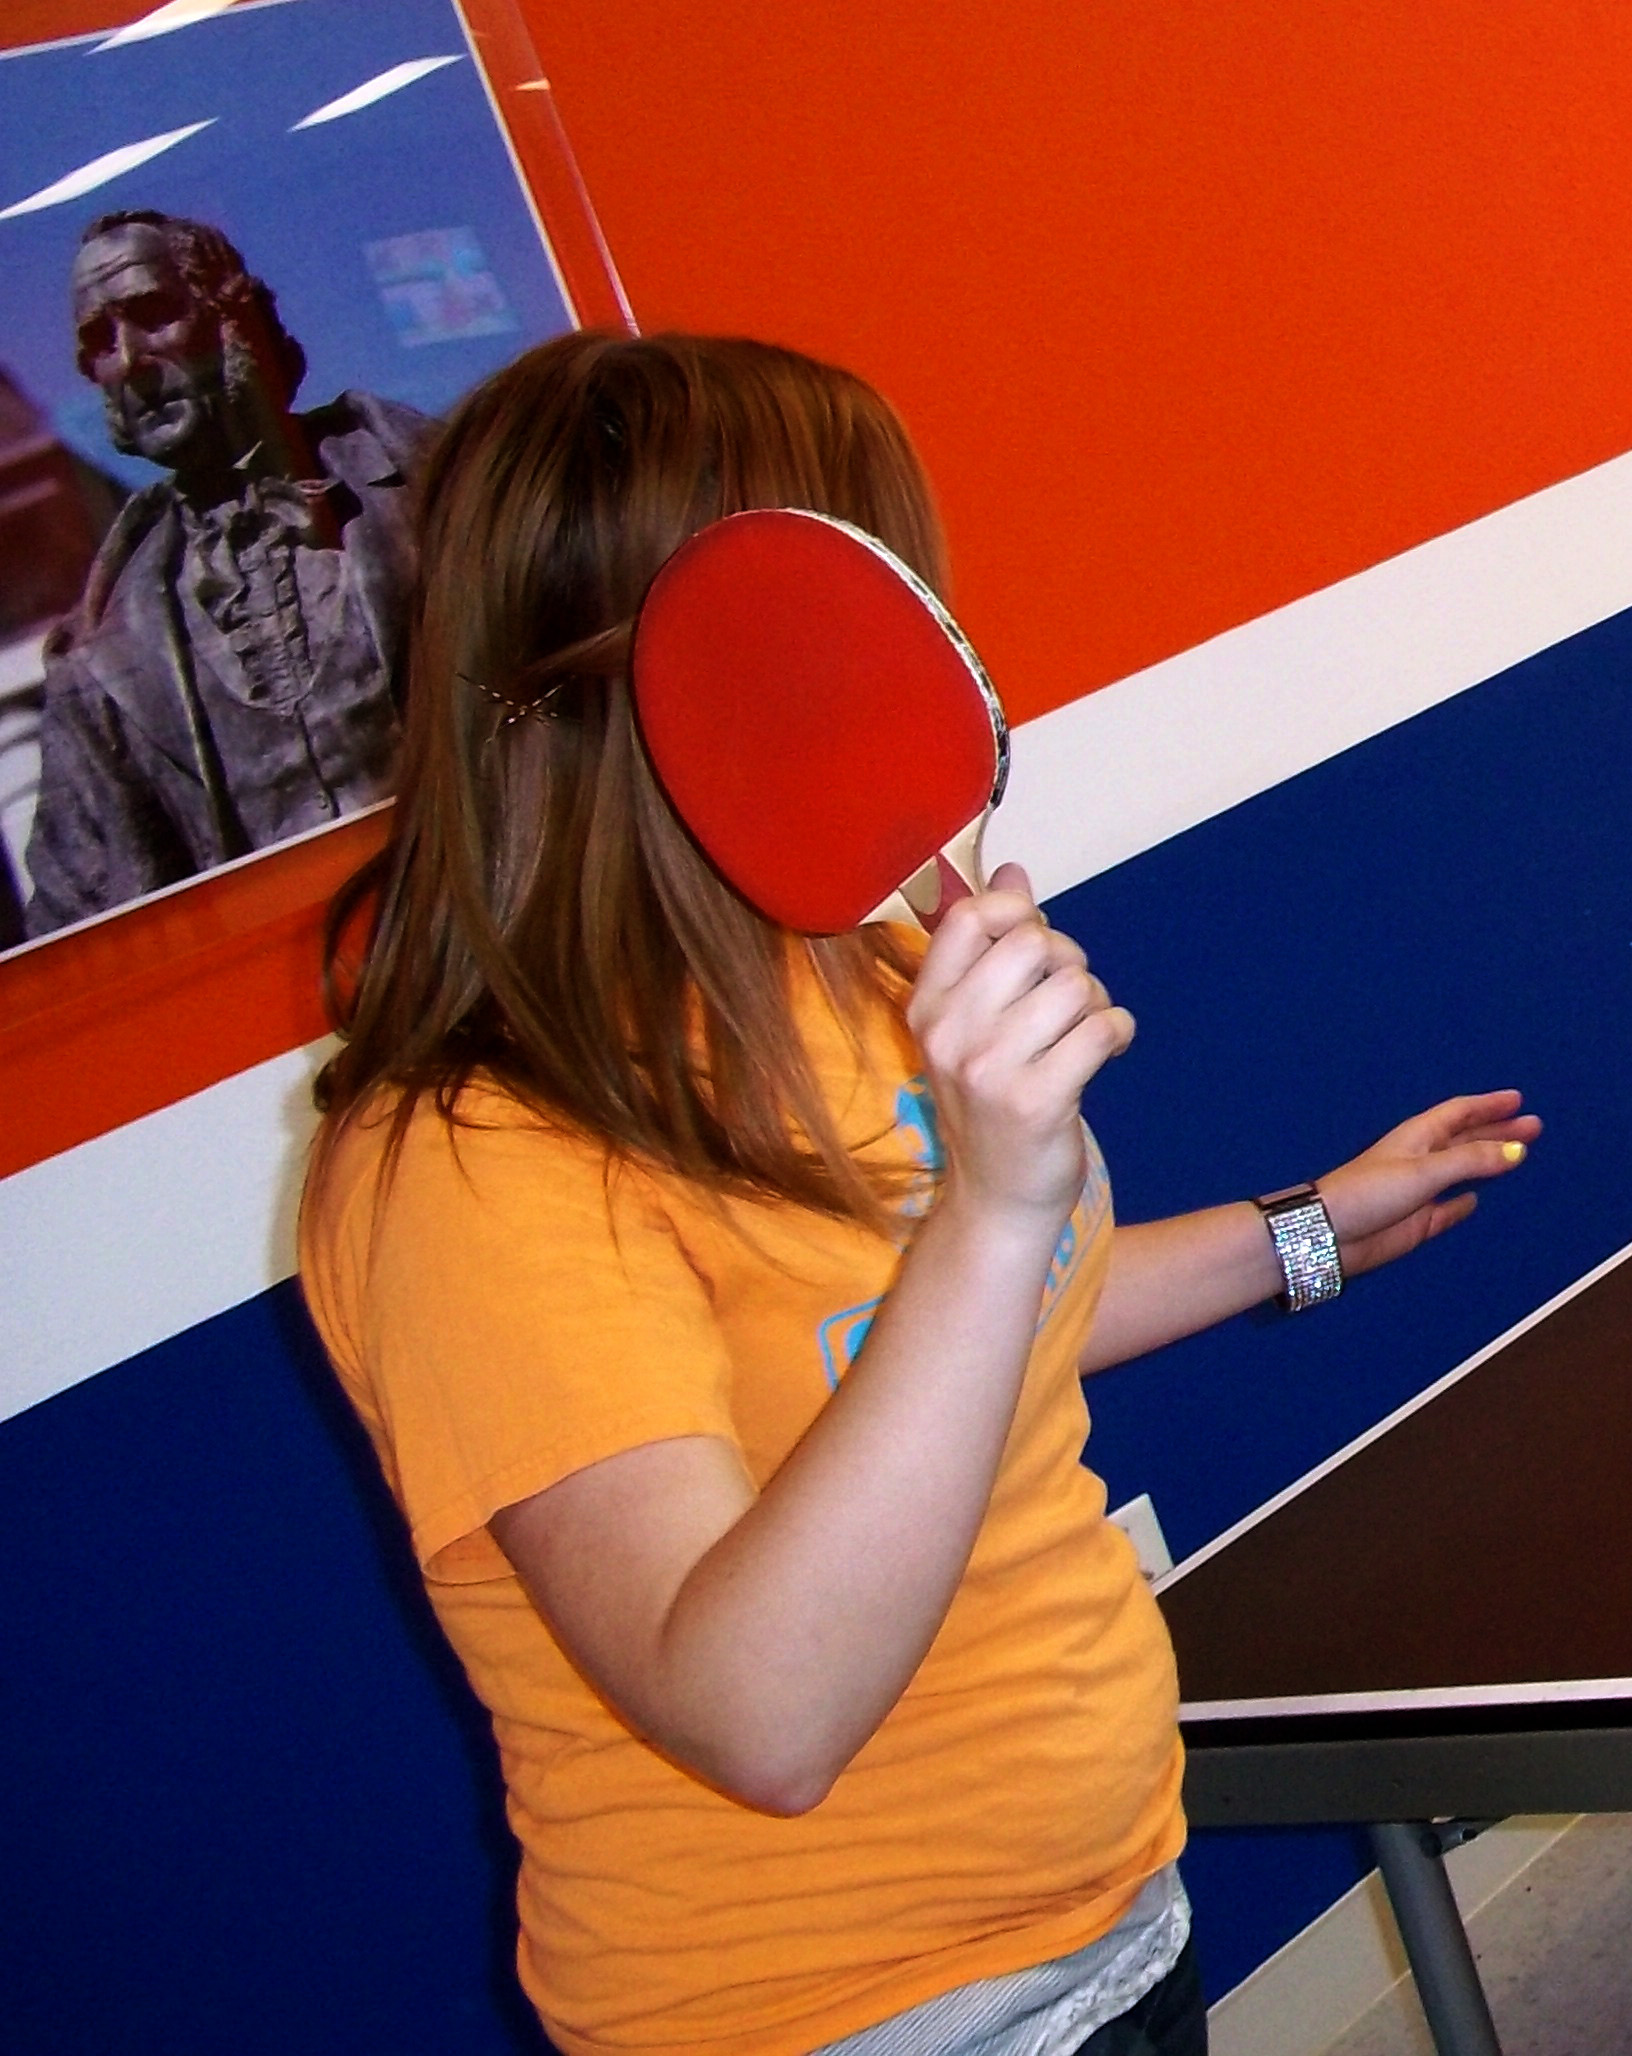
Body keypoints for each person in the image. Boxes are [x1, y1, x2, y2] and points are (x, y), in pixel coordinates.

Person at [296, 331, 1539, 2056]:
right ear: (707, 672)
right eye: (865, 599)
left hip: (1114, 1920)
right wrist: (992, 1207)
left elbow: (977, 1336)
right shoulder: (472, 1160)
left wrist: (1313, 1227)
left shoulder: (853, 958)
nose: (930, 642)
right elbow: (759, 1709)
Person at [27, 209, 434, 930]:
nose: (128, 360)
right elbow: (79, 931)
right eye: (100, 344)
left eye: (151, 315)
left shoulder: (439, 481)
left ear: (233, 315)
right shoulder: (101, 651)